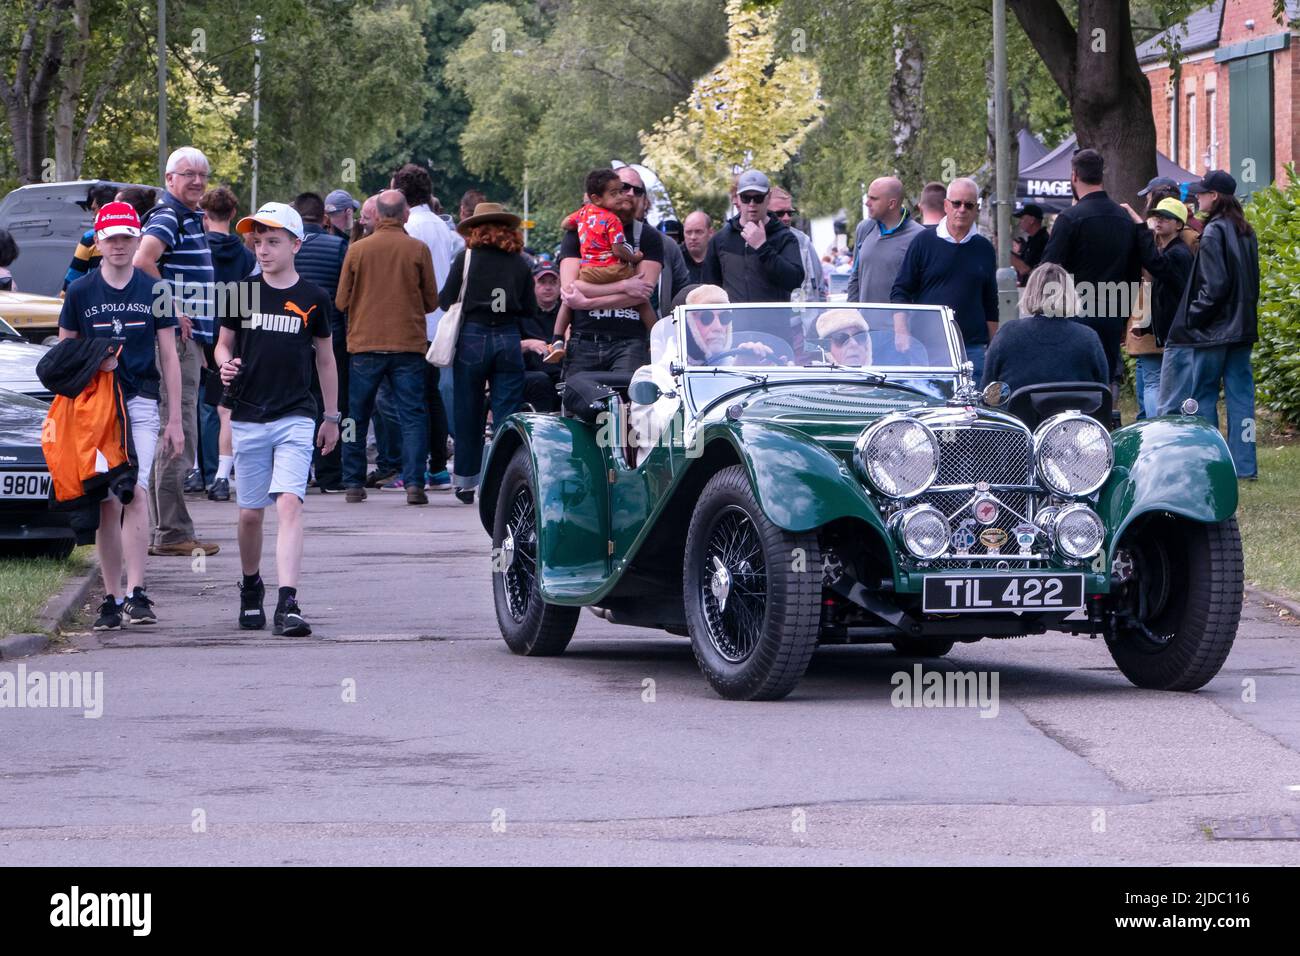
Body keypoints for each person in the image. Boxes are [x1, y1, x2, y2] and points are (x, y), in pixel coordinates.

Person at [57, 202, 185, 629]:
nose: (119, 245)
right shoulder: (80, 292)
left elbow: (169, 354)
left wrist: (174, 419)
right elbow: (63, 357)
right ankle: (111, 598)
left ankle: (137, 591)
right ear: (98, 240)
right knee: (108, 501)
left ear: (136, 240)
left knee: (136, 490)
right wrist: (96, 362)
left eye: (127, 237)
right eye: (110, 238)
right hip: (95, 410)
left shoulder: (155, 291)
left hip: (141, 403)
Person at [216, 202, 339, 636]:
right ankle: (252, 587)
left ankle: (289, 603)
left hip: (296, 414)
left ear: (295, 244)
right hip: (248, 414)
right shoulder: (240, 291)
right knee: (251, 513)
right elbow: (223, 344)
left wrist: (331, 416)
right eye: (257, 242)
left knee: (289, 502)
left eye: (273, 242)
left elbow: (326, 360)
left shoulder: (313, 298)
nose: (263, 250)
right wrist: (225, 363)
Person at [133, 145, 219, 557]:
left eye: (202, 174)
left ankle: (167, 529)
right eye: (188, 174)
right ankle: (172, 533)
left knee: (176, 427)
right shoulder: (168, 215)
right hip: (174, 342)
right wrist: (175, 310)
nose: (198, 181)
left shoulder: (188, 217)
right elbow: (143, 259)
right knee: (176, 429)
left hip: (188, 343)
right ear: (170, 180)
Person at [335, 190, 440, 505]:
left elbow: (341, 301)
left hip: (365, 345)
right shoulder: (418, 250)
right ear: (405, 215)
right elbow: (432, 301)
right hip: (408, 345)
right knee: (413, 416)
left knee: (356, 415)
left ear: (377, 216)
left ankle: (353, 482)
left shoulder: (357, 250)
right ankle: (414, 484)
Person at [1156, 170, 1260, 479]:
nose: (1197, 197)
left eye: (1202, 193)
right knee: (1243, 400)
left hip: (1212, 331)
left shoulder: (1214, 231)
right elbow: (1249, 282)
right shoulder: (1246, 230)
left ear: (1214, 196)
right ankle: (1245, 467)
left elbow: (1214, 285)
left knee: (1203, 397)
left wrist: (1192, 316)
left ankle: (1211, 463)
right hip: (1242, 328)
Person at [440, 202, 534, 504]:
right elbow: (530, 307)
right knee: (507, 413)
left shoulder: (466, 258)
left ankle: (467, 480)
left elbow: (445, 300)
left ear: (476, 229)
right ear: (507, 229)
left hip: (473, 337)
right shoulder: (521, 263)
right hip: (508, 337)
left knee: (467, 410)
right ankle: (501, 478)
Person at [1041, 148, 1141, 398]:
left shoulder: (1069, 219)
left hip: (1074, 312)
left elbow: (1048, 271)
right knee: (1106, 375)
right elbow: (1133, 271)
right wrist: (1124, 314)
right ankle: (1107, 423)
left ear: (1074, 176)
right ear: (1101, 175)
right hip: (1112, 312)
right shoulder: (1124, 218)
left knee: (1073, 379)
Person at [891, 177, 998, 385]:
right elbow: (901, 290)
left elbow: (990, 301)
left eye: (969, 205)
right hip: (926, 347)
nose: (962, 209)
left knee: (970, 411)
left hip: (972, 349)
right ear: (946, 205)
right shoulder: (923, 242)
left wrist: (994, 344)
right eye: (957, 203)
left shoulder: (984, 248)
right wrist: (901, 332)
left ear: (976, 209)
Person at [556, 173, 665, 377]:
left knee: (627, 404)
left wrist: (587, 301)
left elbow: (641, 292)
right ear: (600, 196)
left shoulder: (648, 236)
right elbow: (571, 289)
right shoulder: (578, 231)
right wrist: (623, 287)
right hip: (585, 339)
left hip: (630, 342)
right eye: (620, 189)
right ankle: (556, 340)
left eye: (635, 190)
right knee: (580, 404)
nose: (627, 194)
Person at [394, 163, 454, 491]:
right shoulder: (442, 227)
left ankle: (412, 469)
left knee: (412, 402)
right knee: (434, 397)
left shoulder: (410, 227)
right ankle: (439, 466)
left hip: (415, 323)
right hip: (440, 324)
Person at [197, 186, 254, 502]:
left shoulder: (198, 249)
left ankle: (198, 470)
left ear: (204, 216)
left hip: (200, 330)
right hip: (231, 333)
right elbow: (248, 301)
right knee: (225, 408)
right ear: (233, 214)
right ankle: (221, 474)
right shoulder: (245, 256)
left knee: (198, 404)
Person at [291, 191, 351, 494]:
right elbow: (346, 295)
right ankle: (329, 475)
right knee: (332, 403)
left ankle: (297, 472)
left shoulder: (287, 248)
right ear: (324, 218)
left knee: (296, 404)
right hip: (332, 336)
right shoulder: (339, 246)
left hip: (291, 336)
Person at [981, 263, 1108, 394]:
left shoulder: (1007, 334)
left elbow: (987, 390)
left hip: (1019, 413)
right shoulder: (1088, 338)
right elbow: (1102, 392)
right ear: (1070, 294)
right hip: (1072, 411)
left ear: (1030, 292)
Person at [1122, 197, 1194, 420]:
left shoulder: (1178, 254)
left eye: (1166, 217)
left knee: (1162, 385)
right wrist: (1145, 326)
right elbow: (1157, 294)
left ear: (1179, 225)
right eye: (1157, 216)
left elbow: (1154, 267)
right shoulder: (1169, 251)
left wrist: (1139, 225)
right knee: (1165, 385)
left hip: (1177, 333)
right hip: (1171, 331)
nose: (1159, 220)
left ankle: (1159, 430)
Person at [702, 169, 804, 310]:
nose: (752, 204)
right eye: (745, 197)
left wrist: (763, 248)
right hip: (733, 327)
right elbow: (711, 288)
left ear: (768, 198)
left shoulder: (784, 237)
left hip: (774, 327)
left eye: (758, 198)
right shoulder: (721, 239)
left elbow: (794, 280)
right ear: (737, 198)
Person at [846, 176, 925, 304]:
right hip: (865, 322)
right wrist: (851, 314)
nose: (867, 203)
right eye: (868, 197)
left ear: (892, 203)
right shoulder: (864, 229)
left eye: (873, 198)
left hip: (902, 323)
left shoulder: (919, 237)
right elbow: (855, 277)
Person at [519, 259, 562, 411]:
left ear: (560, 285)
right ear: (533, 285)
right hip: (530, 373)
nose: (548, 288)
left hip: (560, 372)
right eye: (542, 283)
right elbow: (506, 346)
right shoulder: (521, 311)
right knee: (540, 380)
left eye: (552, 282)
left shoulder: (568, 311)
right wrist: (528, 344)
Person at [770, 186, 825, 301]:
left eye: (790, 213)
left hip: (803, 316)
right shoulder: (753, 241)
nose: (786, 218)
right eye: (779, 213)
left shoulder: (803, 241)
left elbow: (819, 287)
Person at [62, 183, 118, 292]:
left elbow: (72, 280)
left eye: (94, 209)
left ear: (103, 209)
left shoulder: (90, 238)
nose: (93, 215)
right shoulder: (138, 236)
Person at [1010, 203, 1048, 286]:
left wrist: (1004, 253)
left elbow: (1025, 269)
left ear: (1032, 220)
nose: (1020, 222)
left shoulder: (1041, 241)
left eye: (1022, 218)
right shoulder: (1033, 239)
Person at [681, 211, 712, 285]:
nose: (693, 237)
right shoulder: (676, 259)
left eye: (698, 232)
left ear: (710, 233)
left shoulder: (719, 259)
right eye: (688, 232)